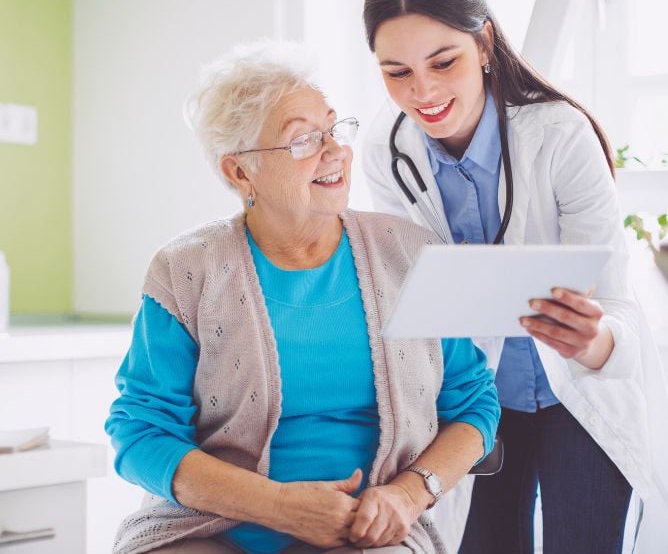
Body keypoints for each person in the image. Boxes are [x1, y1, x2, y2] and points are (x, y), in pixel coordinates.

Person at [105, 41, 500, 554]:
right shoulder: (185, 271)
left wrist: (407, 493)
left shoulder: (411, 254)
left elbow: (474, 406)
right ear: (240, 171)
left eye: (334, 129)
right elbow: (140, 432)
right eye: (303, 141)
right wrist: (276, 506)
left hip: (365, 532)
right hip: (210, 526)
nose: (335, 151)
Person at [361, 0, 668, 554]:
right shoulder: (386, 148)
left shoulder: (560, 134)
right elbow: (409, 287)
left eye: (444, 61)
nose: (423, 92)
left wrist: (590, 341)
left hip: (581, 400)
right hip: (470, 403)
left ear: (484, 42)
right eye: (396, 72)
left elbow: (613, 299)